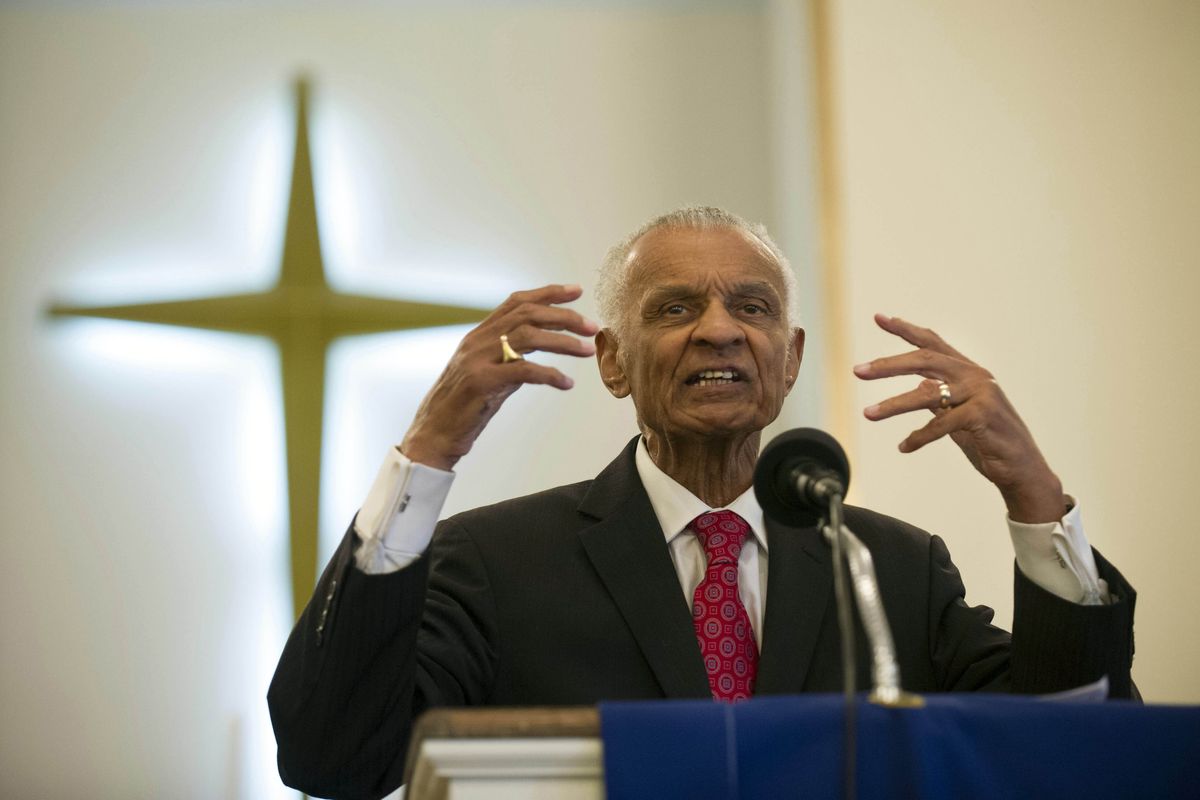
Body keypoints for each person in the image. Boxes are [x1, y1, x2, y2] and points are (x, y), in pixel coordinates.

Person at [268, 207, 1135, 799]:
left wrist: (1035, 497)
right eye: (676, 307)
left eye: (751, 307)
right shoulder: (495, 561)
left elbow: (1076, 759)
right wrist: (426, 455)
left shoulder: (888, 570)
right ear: (613, 362)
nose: (719, 329)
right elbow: (333, 758)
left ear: (789, 360)